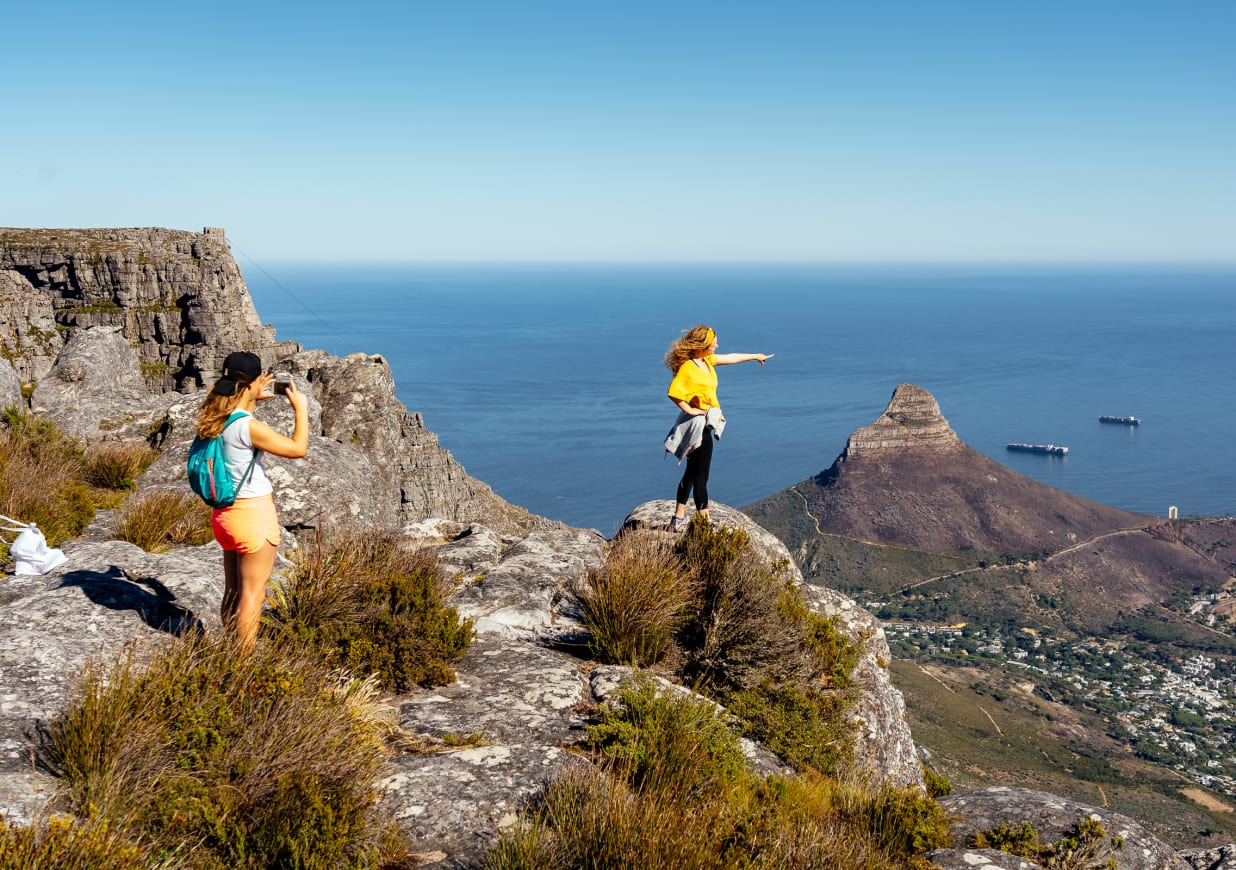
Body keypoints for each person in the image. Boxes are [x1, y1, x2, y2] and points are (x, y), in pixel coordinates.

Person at [194, 351, 308, 651]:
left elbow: (237, 421)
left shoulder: (215, 417)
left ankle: (229, 650)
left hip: (224, 516)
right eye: (260, 380)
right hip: (253, 518)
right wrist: (301, 409)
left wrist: (253, 397)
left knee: (233, 592)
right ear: (249, 385)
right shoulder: (248, 427)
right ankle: (242, 664)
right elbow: (297, 449)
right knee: (253, 595)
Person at [664, 326, 772, 530]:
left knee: (690, 473)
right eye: (714, 342)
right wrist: (692, 410)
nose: (717, 345)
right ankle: (704, 522)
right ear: (704, 346)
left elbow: (731, 357)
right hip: (698, 426)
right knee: (701, 476)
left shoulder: (706, 361)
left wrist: (755, 356)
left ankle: (678, 517)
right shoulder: (689, 367)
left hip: (703, 423)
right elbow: (673, 393)